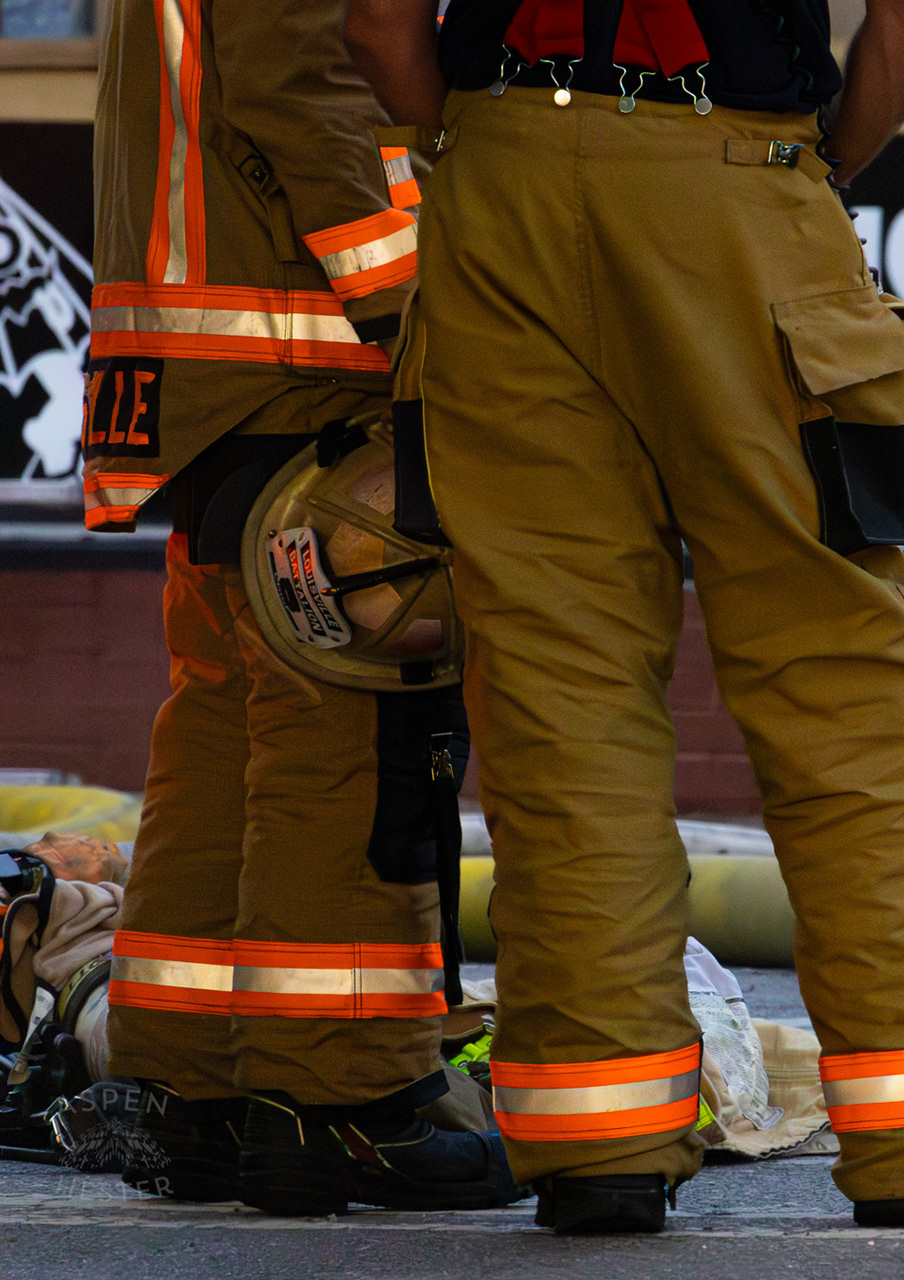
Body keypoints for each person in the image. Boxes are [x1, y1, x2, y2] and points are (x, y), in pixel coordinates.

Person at [344, 0, 904, 1233]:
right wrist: (810, 163)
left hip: (497, 199)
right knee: (844, 690)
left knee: (556, 694)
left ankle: (600, 1139)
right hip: (736, 176)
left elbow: (375, 23)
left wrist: (481, 138)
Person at [88, 0, 519, 1214]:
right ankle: (343, 1103)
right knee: (354, 735)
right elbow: (309, 90)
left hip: (213, 379)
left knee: (225, 726)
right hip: (309, 365)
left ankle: (194, 1087)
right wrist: (427, 325)